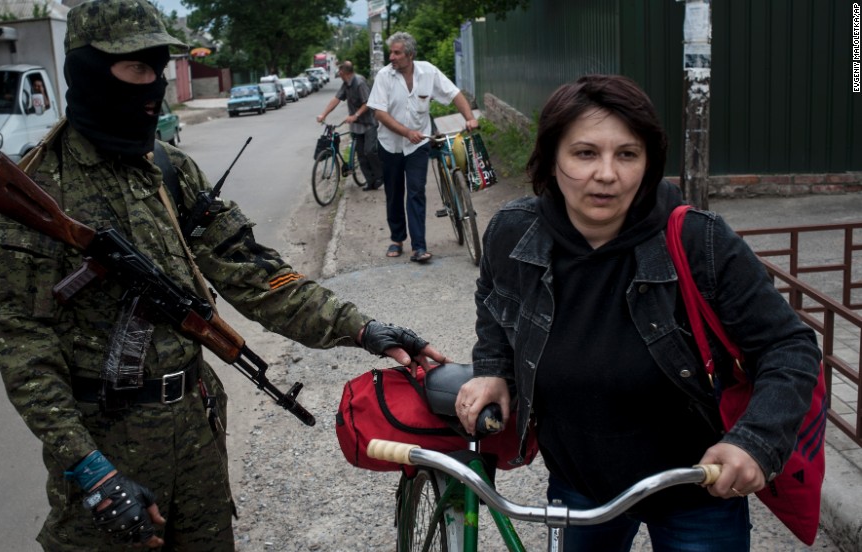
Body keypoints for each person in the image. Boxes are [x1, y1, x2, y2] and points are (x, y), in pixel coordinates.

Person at [0, 0, 447, 550]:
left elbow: (254, 274)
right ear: (87, 69)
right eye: (136, 68)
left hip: (197, 436)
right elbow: (20, 342)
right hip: (109, 454)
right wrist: (87, 468)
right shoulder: (39, 192)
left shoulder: (168, 169)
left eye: (158, 68)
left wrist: (363, 329)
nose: (152, 84)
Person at [455, 74, 821, 551]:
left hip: (695, 488)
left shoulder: (700, 242)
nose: (607, 174)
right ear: (551, 159)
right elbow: (492, 300)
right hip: (579, 485)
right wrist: (493, 370)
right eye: (585, 153)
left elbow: (788, 347)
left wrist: (753, 442)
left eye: (627, 154)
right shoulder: (512, 232)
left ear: (648, 163)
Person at [366, 32, 479, 263]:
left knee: (416, 191)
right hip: (390, 145)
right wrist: (406, 132)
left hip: (418, 145)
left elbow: (454, 93)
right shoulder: (384, 76)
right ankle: (397, 238)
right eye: (391, 52)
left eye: (397, 53)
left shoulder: (428, 71)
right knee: (394, 192)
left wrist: (470, 118)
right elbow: (379, 113)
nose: (392, 57)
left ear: (410, 55)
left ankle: (419, 246)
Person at [316, 60, 384, 191]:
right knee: (361, 154)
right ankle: (370, 182)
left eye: (339, 71)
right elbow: (336, 99)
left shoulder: (359, 82)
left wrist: (355, 115)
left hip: (369, 123)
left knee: (369, 150)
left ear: (343, 72)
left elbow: (368, 102)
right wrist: (323, 114)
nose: (338, 73)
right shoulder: (346, 84)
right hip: (357, 127)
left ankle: (380, 176)